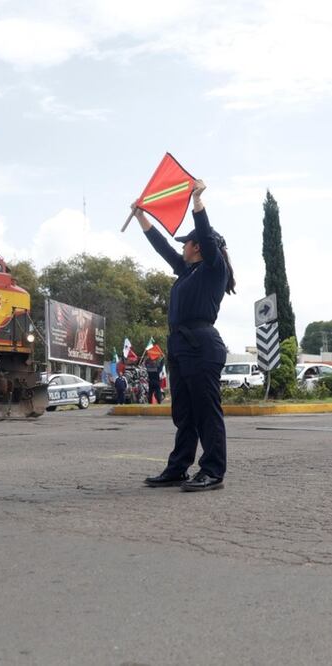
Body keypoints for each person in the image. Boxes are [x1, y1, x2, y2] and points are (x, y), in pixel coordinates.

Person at [132, 179, 236, 492]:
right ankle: (178, 468)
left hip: (202, 345)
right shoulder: (187, 270)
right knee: (184, 413)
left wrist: (197, 203)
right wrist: (141, 217)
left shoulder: (212, 269)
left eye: (186, 243)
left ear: (199, 247)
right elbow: (162, 246)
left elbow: (205, 233)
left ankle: (213, 471)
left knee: (206, 411)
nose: (182, 247)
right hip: (179, 344)